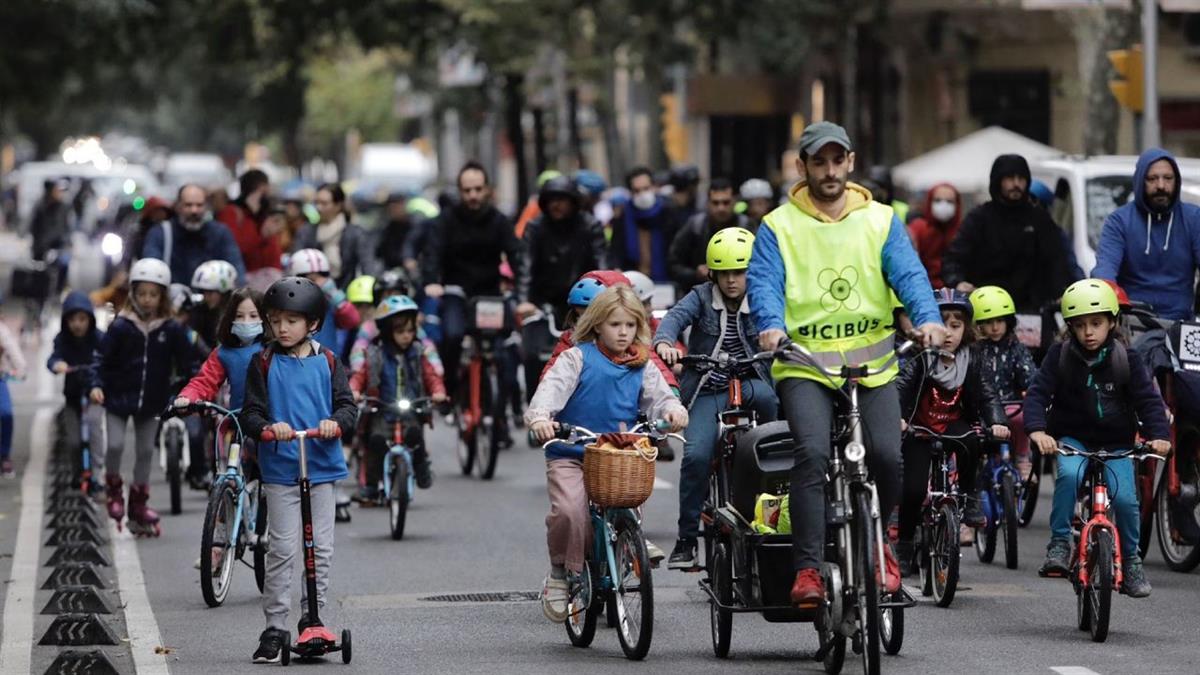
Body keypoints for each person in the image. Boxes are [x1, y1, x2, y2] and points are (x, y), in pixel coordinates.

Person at [747, 120, 945, 606]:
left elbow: (911, 277)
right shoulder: (777, 225)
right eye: (819, 161)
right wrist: (771, 325)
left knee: (886, 455)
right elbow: (764, 284)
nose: (830, 170)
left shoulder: (880, 219)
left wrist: (928, 319)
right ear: (804, 166)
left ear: (850, 162)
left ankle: (881, 546)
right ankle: (808, 570)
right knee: (812, 452)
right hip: (804, 366)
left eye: (838, 160)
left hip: (873, 365)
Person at [527, 285, 688, 622]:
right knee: (571, 511)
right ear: (597, 324)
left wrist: (673, 411)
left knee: (627, 496)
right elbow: (548, 394)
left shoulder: (641, 363)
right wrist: (542, 419)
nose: (623, 332)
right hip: (572, 452)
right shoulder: (576, 358)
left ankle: (631, 541)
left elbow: (662, 397)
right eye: (615, 325)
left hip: (618, 453)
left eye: (630, 325)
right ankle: (560, 572)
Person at [1025, 280, 1171, 597]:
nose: (1088, 332)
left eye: (1096, 323)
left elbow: (1148, 400)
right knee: (1068, 475)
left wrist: (1160, 435)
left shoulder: (1127, 358)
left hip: (1117, 445)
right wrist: (1037, 430)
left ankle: (1131, 562)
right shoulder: (1059, 355)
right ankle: (1060, 543)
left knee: (1126, 500)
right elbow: (1037, 393)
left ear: (1112, 323)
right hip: (1073, 439)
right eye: (1079, 326)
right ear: (1070, 328)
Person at [240, 276, 357, 663]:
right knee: (283, 549)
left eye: (292, 320)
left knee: (319, 549)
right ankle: (274, 627)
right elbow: (251, 413)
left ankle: (312, 617)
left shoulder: (327, 360)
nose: (282, 328)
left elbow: (347, 407)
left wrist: (334, 423)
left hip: (321, 467)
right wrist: (268, 428)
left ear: (313, 324)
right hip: (281, 468)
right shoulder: (264, 361)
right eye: (275, 321)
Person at [655, 228, 779, 569]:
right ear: (713, 274)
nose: (732, 281)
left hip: (754, 380)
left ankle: (774, 520)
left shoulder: (766, 296)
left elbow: (788, 322)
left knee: (775, 436)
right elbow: (673, 319)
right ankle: (686, 540)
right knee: (695, 456)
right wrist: (665, 342)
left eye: (739, 272)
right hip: (709, 386)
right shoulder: (699, 296)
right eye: (724, 273)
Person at [896, 289, 1010, 571]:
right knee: (912, 490)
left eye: (956, 325)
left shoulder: (972, 357)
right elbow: (900, 388)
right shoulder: (919, 357)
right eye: (942, 324)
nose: (948, 333)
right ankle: (906, 544)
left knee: (972, 440)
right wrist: (897, 418)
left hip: (953, 423)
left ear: (967, 329)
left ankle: (971, 497)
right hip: (919, 427)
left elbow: (987, 394)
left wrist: (997, 420)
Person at [90, 258, 199, 534]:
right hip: (116, 397)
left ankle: (138, 504)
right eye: (142, 294)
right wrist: (96, 384)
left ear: (162, 296)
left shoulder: (172, 329)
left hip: (153, 400)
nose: (147, 300)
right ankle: (114, 488)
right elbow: (100, 359)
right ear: (133, 294)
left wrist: (188, 391)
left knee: (145, 451)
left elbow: (188, 364)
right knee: (114, 445)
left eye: (153, 294)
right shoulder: (121, 326)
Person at [422, 161, 523, 399]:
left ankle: (509, 403)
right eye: (467, 190)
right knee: (453, 335)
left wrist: (523, 287)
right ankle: (450, 390)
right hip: (456, 292)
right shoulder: (445, 220)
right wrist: (431, 281)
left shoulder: (499, 221)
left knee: (505, 345)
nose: (473, 196)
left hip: (491, 294)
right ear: (460, 191)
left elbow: (516, 255)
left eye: (478, 189)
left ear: (487, 189)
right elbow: (432, 254)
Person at [941, 154, 1075, 312]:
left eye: (1021, 179)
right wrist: (958, 282)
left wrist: (1060, 291)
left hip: (1032, 311)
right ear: (998, 181)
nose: (1016, 184)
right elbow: (954, 258)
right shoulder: (979, 219)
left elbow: (1057, 261)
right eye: (1010, 178)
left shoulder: (1040, 219)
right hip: (986, 309)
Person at [349, 295, 447, 495]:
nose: (406, 336)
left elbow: (430, 375)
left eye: (410, 331)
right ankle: (370, 484)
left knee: (415, 436)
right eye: (400, 331)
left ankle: (422, 470)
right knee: (376, 441)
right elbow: (361, 375)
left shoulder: (418, 352)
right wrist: (355, 390)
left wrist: (438, 392)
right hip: (383, 409)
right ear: (386, 331)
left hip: (411, 409)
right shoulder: (375, 354)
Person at [1092, 148, 1200, 321]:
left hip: (1180, 322)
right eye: (1152, 179)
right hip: (1132, 320)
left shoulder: (1194, 218)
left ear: (1177, 181)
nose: (1161, 186)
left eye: (1168, 178)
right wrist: (1108, 294)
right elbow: (1105, 269)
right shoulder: (1119, 221)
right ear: (1140, 181)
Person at [514, 175, 608, 326]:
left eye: (562, 200)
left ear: (573, 202)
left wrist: (607, 298)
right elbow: (526, 266)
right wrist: (524, 301)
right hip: (543, 302)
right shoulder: (535, 228)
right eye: (551, 200)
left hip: (583, 301)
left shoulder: (590, 225)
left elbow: (602, 263)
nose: (556, 205)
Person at [969, 285, 1036, 473]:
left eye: (1000, 320)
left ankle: (1022, 456)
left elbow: (1029, 374)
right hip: (980, 409)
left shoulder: (1015, 348)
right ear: (977, 324)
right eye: (988, 321)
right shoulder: (973, 350)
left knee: (1023, 418)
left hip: (1010, 404)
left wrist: (1032, 387)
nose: (995, 327)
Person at [47, 291, 105, 484]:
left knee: (95, 428)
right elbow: (53, 358)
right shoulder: (62, 339)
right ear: (66, 321)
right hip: (72, 397)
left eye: (82, 319)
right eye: (72, 320)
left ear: (90, 319)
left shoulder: (99, 338)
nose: (77, 324)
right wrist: (57, 365)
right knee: (73, 440)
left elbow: (110, 358)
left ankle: (97, 473)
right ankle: (76, 473)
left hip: (94, 394)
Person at [142, 184, 246, 287]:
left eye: (199, 205)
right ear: (178, 206)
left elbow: (236, 271)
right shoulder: (161, 234)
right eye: (188, 205)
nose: (194, 211)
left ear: (206, 206)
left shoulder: (220, 233)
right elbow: (150, 270)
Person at [667, 178, 751, 292]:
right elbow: (673, 264)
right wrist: (696, 273)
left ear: (734, 201)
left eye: (726, 202)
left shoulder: (746, 227)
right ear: (708, 203)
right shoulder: (695, 226)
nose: (721, 208)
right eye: (715, 203)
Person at [293, 183, 380, 288]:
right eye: (316, 203)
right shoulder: (306, 232)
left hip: (346, 290)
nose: (319, 208)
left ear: (338, 205)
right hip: (311, 290)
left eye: (324, 203)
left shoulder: (355, 233)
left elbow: (367, 267)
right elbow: (296, 263)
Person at [287, 249, 361, 357]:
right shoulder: (287, 305)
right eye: (311, 279)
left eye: (322, 276)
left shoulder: (329, 303)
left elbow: (352, 320)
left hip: (329, 364)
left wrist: (335, 295)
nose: (319, 283)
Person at [219, 170, 284, 291]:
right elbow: (234, 249)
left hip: (271, 278)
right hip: (244, 280)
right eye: (263, 188)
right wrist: (262, 235)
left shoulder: (266, 212)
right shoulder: (232, 212)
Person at [610, 166, 677, 282]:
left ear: (654, 187)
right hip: (633, 279)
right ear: (630, 192)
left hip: (667, 279)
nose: (642, 194)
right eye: (637, 190)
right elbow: (616, 249)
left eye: (646, 188)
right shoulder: (623, 215)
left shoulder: (669, 212)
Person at [906, 182, 962, 288]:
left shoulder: (963, 232)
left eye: (949, 201)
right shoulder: (917, 229)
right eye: (938, 200)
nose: (943, 205)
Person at [0, 291, 26, 477]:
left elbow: (13, 351)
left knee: (6, 414)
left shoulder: (1, 331)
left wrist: (20, 369)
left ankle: (4, 455)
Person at [189, 259, 240, 348]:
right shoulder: (199, 312)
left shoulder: (237, 315)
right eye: (204, 291)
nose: (206, 297)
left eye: (211, 292)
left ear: (224, 293)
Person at [30, 178, 72, 262]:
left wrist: (67, 241)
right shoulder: (40, 206)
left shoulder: (62, 206)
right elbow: (34, 226)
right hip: (42, 247)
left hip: (58, 245)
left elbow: (66, 225)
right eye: (55, 190)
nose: (58, 193)